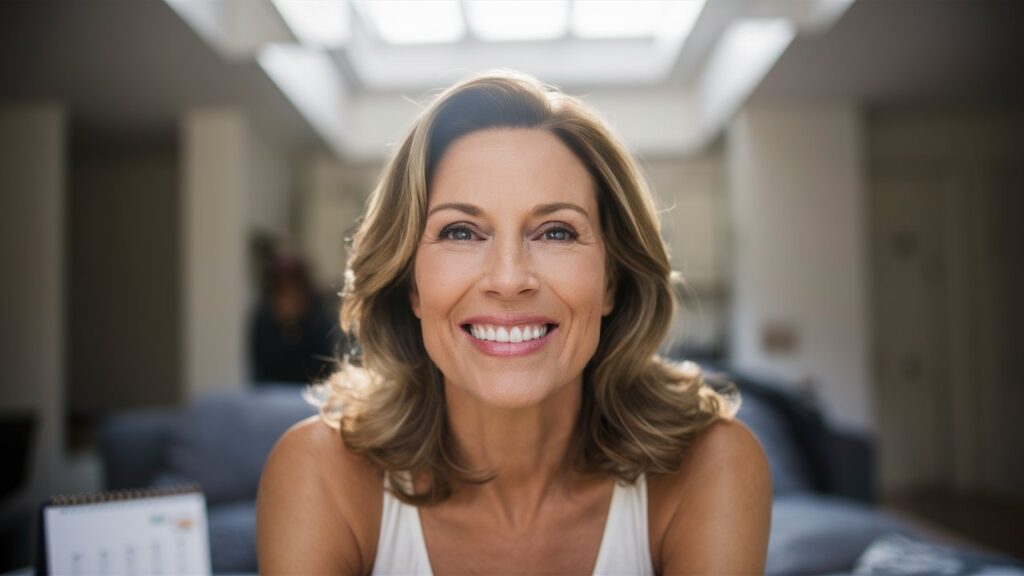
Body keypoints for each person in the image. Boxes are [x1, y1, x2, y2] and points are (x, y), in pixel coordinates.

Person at [257, 71, 772, 575]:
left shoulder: (710, 463)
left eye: (556, 233)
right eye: (461, 232)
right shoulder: (319, 471)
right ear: (412, 284)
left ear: (611, 280)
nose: (508, 280)